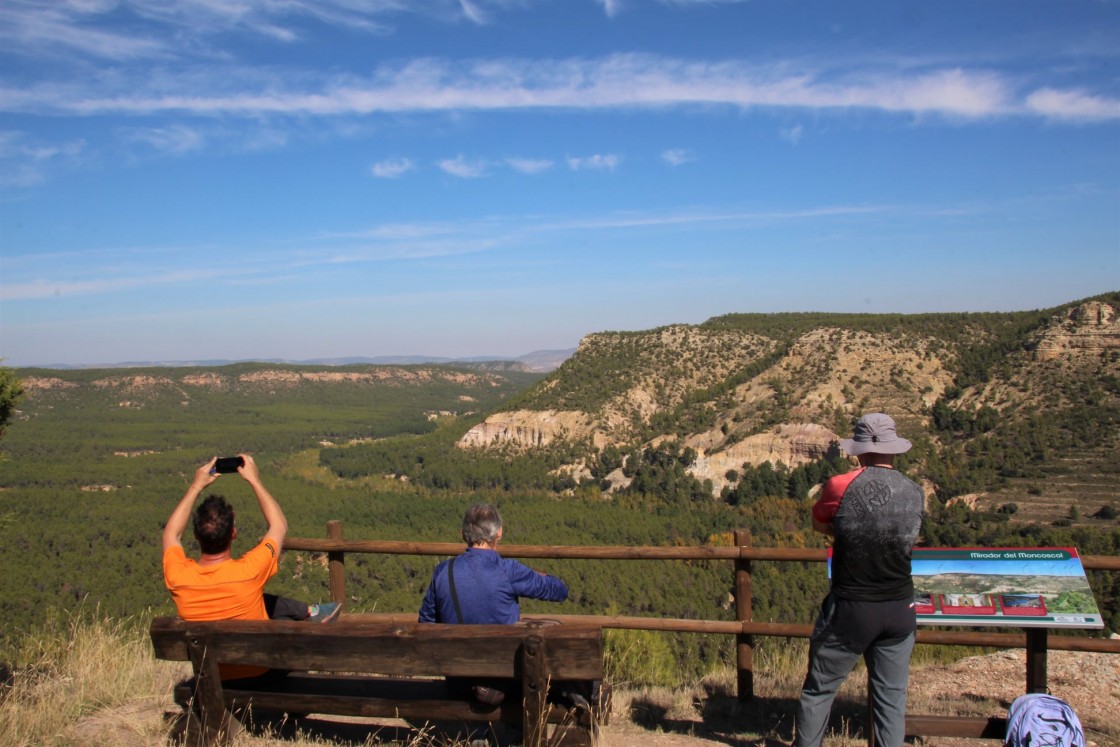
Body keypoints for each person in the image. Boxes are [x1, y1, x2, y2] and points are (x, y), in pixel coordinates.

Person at [795, 413, 925, 747]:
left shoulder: (841, 485)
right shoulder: (914, 491)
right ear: (894, 450)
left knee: (819, 690)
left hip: (852, 607)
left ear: (859, 450)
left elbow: (819, 522)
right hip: (900, 607)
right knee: (891, 699)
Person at [162, 454, 339, 680]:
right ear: (233, 533)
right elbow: (279, 525)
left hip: (214, 679)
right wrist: (254, 481)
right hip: (260, 674)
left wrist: (196, 486)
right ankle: (310, 614)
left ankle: (308, 611)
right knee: (287, 628)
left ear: (196, 535)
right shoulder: (249, 571)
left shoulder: (179, 576)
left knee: (273, 611)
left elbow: (171, 533)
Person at [419, 503, 568, 625]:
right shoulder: (510, 571)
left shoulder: (443, 571)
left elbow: (426, 621)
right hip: (503, 660)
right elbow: (560, 591)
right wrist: (536, 574)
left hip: (453, 659)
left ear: (463, 535)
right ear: (499, 533)